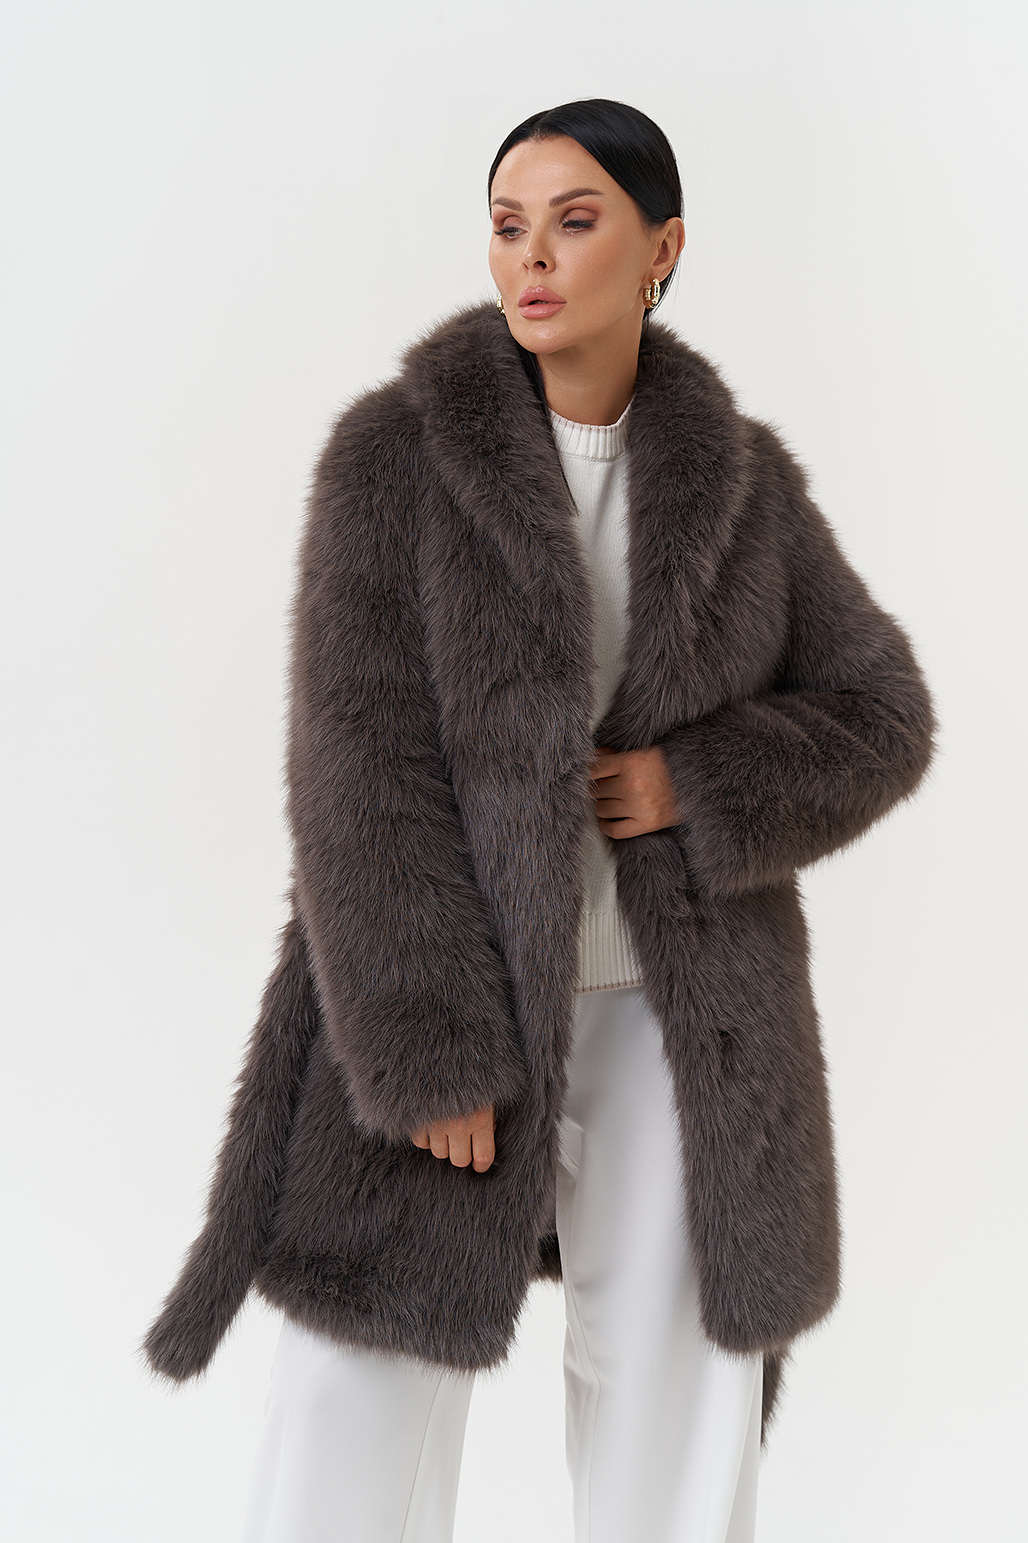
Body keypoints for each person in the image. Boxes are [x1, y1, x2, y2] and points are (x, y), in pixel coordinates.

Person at [140, 99, 937, 1543]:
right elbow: (356, 777)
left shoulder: (744, 485)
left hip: (687, 1027)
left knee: (677, 1415)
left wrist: (697, 783)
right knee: (352, 1408)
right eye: (510, 225)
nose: (534, 258)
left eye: (576, 222)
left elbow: (882, 715)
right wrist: (429, 1049)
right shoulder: (395, 461)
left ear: (662, 250)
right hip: (447, 1015)